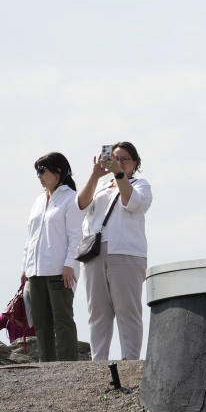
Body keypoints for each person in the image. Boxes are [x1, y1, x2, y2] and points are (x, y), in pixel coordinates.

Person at [76, 141, 152, 360]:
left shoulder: (141, 184)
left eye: (124, 159)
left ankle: (130, 360)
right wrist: (94, 175)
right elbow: (81, 204)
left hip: (126, 252)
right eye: (115, 158)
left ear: (135, 163)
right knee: (97, 310)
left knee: (127, 310)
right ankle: (98, 361)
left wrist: (119, 175)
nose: (118, 162)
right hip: (94, 251)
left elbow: (132, 202)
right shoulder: (100, 185)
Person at [21, 152, 83, 361]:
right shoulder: (39, 201)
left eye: (42, 170)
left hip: (60, 270)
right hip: (36, 271)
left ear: (58, 171)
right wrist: (25, 268)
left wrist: (69, 265)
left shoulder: (70, 198)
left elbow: (76, 236)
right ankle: (46, 366)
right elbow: (31, 236)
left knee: (63, 320)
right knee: (41, 321)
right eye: (36, 171)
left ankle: (67, 366)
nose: (38, 175)